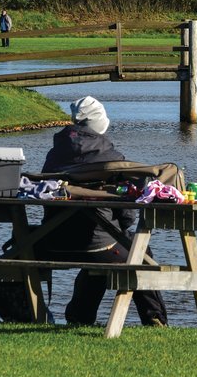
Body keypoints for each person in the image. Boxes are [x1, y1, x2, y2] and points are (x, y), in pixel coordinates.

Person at [36, 96, 169, 327]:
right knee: (137, 250)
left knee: (104, 252)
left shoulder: (53, 156)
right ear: (100, 124)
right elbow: (127, 215)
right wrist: (121, 229)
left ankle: (79, 318)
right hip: (99, 246)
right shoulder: (112, 160)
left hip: (48, 241)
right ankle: (154, 319)